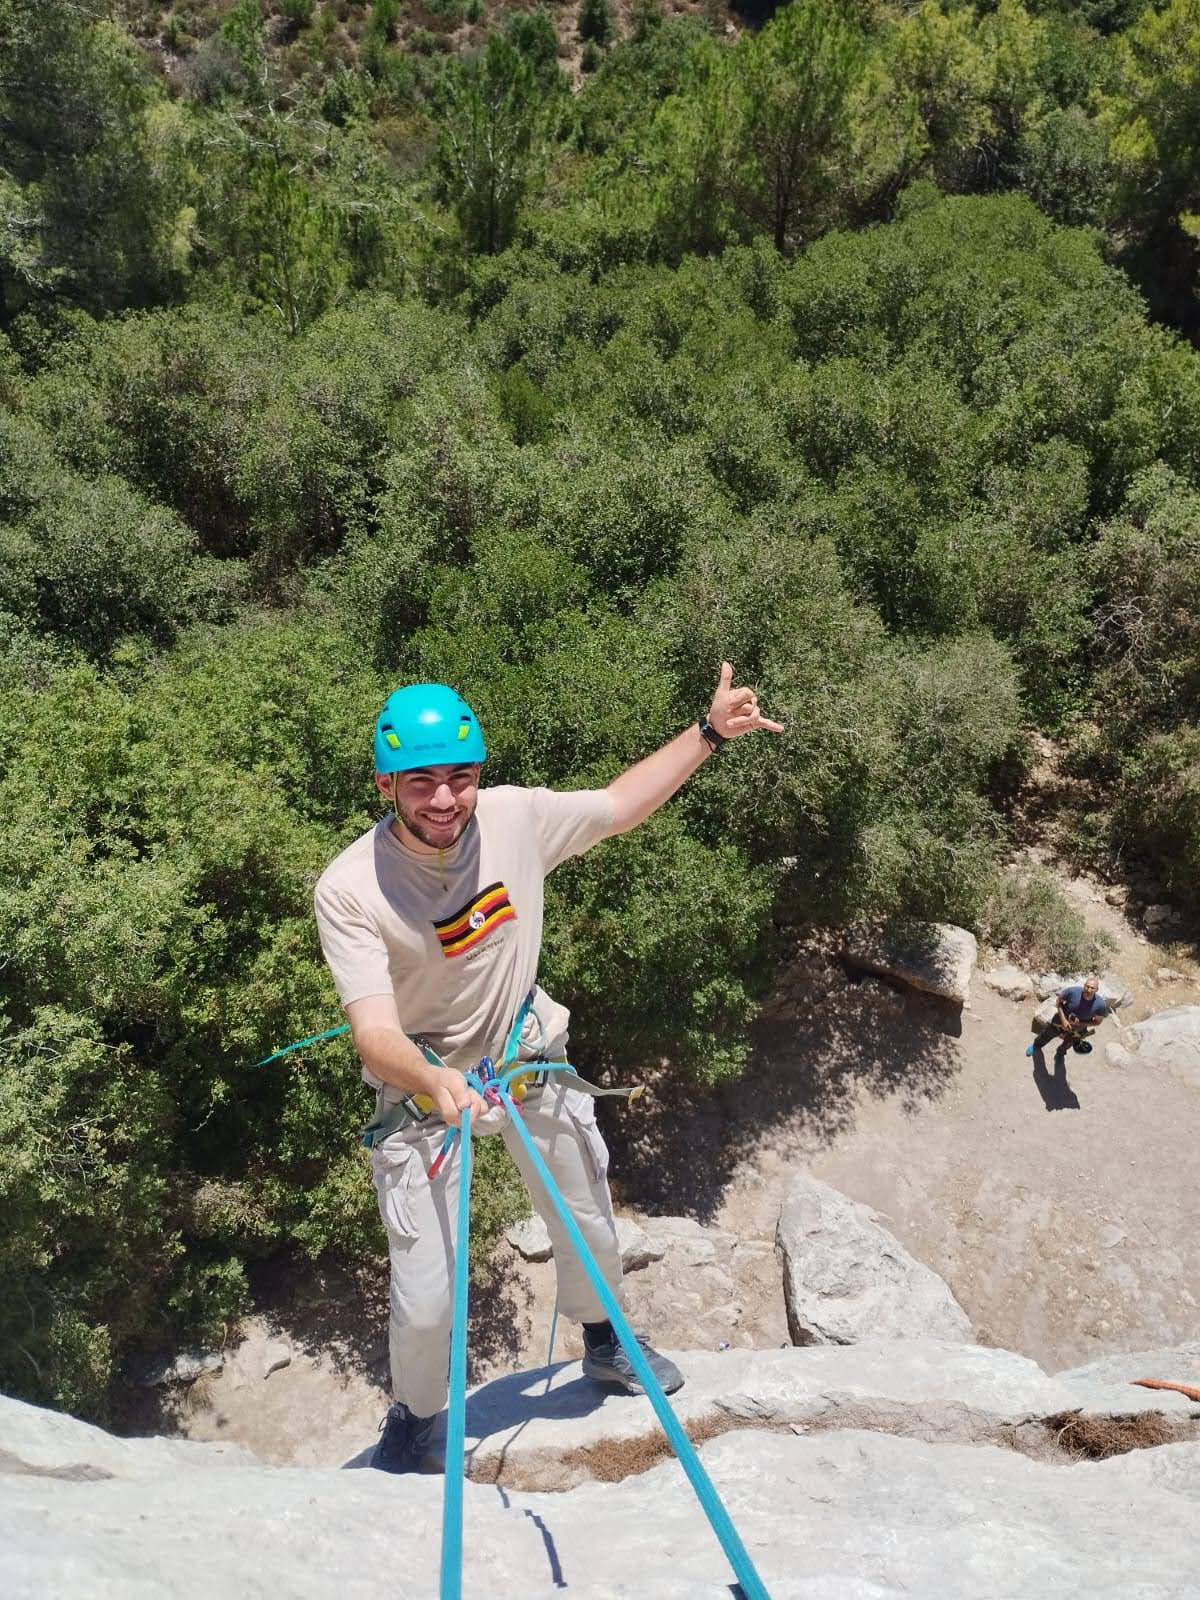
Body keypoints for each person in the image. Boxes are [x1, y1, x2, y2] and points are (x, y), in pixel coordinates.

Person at [313, 663, 784, 1474]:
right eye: (420, 782)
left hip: (525, 1059)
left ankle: (605, 1341)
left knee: (588, 1219)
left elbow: (620, 806)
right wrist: (437, 1081)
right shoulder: (352, 887)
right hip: (423, 1094)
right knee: (425, 1300)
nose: (444, 799)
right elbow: (374, 1033)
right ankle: (417, 1418)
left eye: (459, 777)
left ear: (477, 774)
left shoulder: (514, 819)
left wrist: (708, 732)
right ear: (384, 784)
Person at [1025, 975, 1109, 1063]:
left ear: (1097, 990)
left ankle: (1060, 1053)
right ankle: (1036, 1045)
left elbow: (1097, 1022)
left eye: (1092, 988)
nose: (1089, 990)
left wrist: (1079, 1023)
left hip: (1078, 1028)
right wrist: (1064, 1020)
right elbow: (1058, 1002)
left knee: (1068, 1043)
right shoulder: (1072, 992)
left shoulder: (1100, 1004)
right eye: (1087, 986)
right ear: (1084, 985)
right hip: (1059, 1021)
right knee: (1047, 1034)